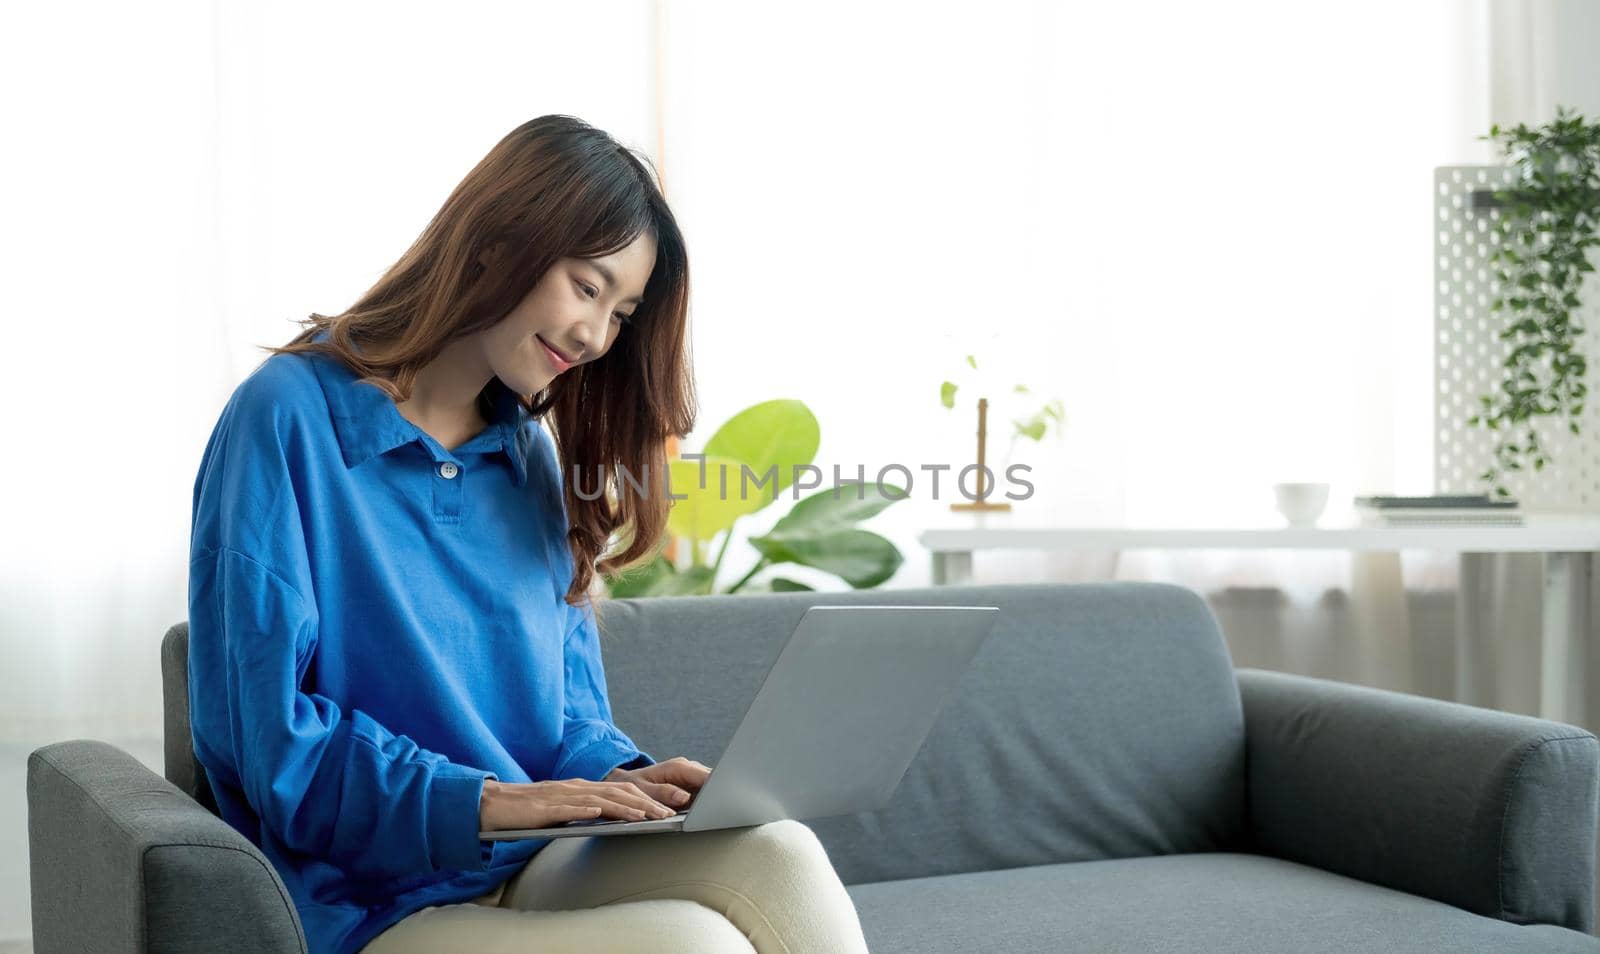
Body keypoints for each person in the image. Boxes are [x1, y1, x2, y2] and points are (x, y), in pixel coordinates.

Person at [187, 114, 871, 954]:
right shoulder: (288, 418)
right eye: (587, 287)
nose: (593, 336)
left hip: (522, 860)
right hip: (365, 904)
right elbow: (267, 743)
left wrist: (622, 781)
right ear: (497, 241)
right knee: (698, 946)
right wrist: (486, 802)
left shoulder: (527, 456)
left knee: (781, 853)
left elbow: (567, 716)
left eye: (620, 312)